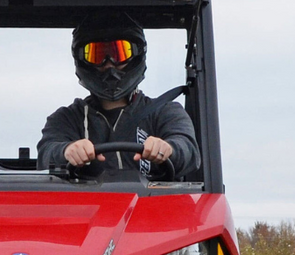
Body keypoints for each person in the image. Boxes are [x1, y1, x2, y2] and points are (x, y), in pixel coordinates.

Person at [37, 11, 200, 179]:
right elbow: (46, 153)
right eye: (97, 55)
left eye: (120, 54)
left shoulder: (165, 111)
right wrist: (66, 151)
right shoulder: (67, 118)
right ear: (82, 60)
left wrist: (168, 149)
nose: (109, 64)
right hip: (87, 204)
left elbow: (188, 149)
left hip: (154, 202)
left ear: (136, 55)